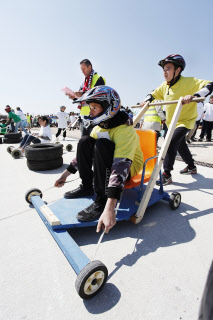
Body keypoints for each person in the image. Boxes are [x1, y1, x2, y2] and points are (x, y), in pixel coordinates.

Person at [54, 86, 144, 233]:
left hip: (129, 167)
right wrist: (65, 175)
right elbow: (83, 155)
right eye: (90, 107)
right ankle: (87, 186)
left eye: (94, 107)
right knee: (84, 141)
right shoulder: (100, 127)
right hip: (111, 165)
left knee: (102, 145)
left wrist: (110, 207)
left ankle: (101, 200)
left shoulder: (124, 131)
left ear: (109, 107)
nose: (90, 112)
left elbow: (120, 166)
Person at [139, 54, 213, 185]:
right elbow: (153, 94)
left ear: (178, 70)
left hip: (185, 121)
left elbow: (210, 84)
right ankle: (191, 166)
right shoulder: (164, 86)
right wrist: (146, 100)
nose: (164, 72)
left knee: (170, 143)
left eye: (168, 68)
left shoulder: (189, 82)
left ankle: (167, 174)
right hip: (171, 122)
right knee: (180, 145)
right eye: (163, 70)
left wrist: (195, 95)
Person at [65, 59, 105, 136]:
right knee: (84, 143)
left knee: (94, 142)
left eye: (84, 69)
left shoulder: (99, 79)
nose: (82, 72)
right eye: (81, 70)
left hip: (95, 117)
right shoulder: (84, 83)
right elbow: (80, 99)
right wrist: (73, 97)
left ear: (89, 67)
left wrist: (83, 94)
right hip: (84, 117)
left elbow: (99, 95)